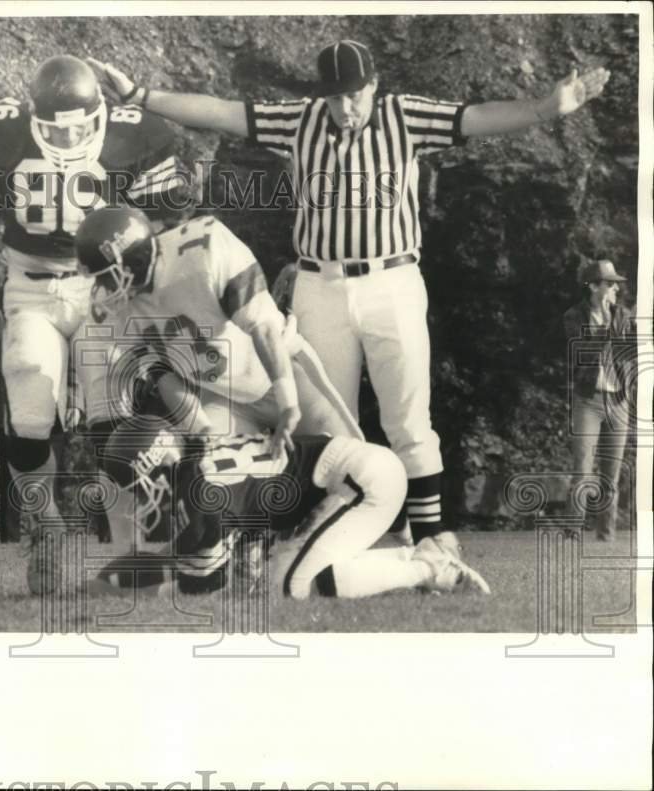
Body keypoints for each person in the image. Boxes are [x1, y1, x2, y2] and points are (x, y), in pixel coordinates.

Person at [88, 42, 610, 559]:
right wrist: (140, 93)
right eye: (336, 98)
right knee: (327, 429)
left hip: (392, 280)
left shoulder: (403, 116)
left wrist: (544, 109)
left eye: (355, 96)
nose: (346, 108)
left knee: (408, 420)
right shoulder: (303, 120)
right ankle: (338, 535)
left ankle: (426, 542)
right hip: (320, 285)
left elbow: (474, 118)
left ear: (374, 86)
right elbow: (224, 113)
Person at [0, 55, 185, 592]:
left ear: (101, 112)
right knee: (31, 398)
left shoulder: (141, 136)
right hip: (29, 286)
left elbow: (165, 237)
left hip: (107, 287)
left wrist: (157, 312)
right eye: (58, 127)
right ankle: (48, 531)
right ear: (33, 116)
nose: (71, 136)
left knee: (114, 413)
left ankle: (131, 550)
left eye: (81, 125)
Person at [90, 414, 490, 601]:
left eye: (140, 487)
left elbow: (205, 584)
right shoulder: (199, 458)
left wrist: (129, 578)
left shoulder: (197, 490)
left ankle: (429, 569)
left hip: (360, 481)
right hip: (364, 472)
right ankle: (414, 555)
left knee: (293, 585)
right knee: (289, 571)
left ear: (157, 463)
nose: (143, 499)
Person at [73, 207, 364, 455]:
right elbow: (162, 373)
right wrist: (202, 430)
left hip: (282, 374)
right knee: (210, 474)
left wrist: (288, 403)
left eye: (108, 278)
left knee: (352, 462)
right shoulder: (116, 309)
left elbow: (263, 327)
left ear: (135, 259)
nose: (104, 290)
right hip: (224, 398)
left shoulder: (202, 252)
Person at [562, 259, 635, 541]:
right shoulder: (573, 317)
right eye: (609, 283)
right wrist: (607, 327)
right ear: (593, 286)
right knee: (582, 470)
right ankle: (572, 533)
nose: (615, 288)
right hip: (588, 402)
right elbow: (581, 354)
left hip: (618, 402)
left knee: (611, 477)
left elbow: (631, 355)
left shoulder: (623, 315)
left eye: (616, 283)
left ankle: (606, 537)